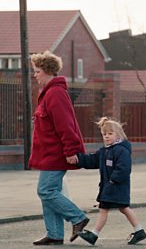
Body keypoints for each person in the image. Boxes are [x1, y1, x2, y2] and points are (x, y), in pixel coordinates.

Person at [29, 51, 90, 245]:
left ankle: (77, 218)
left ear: (47, 71)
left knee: (46, 191)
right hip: (49, 153)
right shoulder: (48, 93)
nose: (35, 75)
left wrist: (71, 151)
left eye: (37, 71)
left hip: (56, 153)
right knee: (49, 191)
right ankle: (54, 234)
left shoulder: (55, 93)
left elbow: (66, 125)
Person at [68, 117, 146, 245]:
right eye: (104, 134)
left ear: (119, 135)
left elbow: (124, 168)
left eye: (110, 134)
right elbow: (92, 160)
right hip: (108, 186)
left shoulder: (121, 150)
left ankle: (94, 234)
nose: (106, 137)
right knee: (118, 208)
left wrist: (113, 180)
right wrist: (78, 158)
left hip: (117, 186)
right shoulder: (104, 151)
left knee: (114, 208)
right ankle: (139, 231)